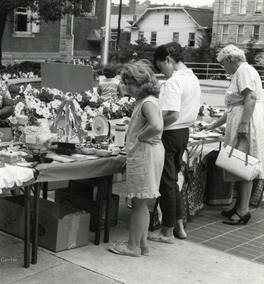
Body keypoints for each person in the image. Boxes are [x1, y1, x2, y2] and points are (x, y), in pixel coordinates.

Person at [108, 61, 164, 257]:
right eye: (125, 83)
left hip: (145, 155)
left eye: (130, 83)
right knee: (143, 202)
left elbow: (156, 126)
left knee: (139, 203)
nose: (126, 87)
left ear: (142, 83)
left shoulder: (147, 102)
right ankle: (143, 245)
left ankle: (132, 247)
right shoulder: (148, 100)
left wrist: (140, 137)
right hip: (150, 154)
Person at [203, 44, 264, 225]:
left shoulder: (244, 71)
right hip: (241, 120)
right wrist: (214, 124)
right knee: (238, 164)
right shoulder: (240, 73)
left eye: (223, 63)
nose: (223, 67)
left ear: (231, 60)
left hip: (246, 122)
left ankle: (243, 210)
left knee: (243, 165)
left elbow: (250, 98)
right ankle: (239, 205)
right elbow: (232, 106)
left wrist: (243, 124)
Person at [149, 42, 201, 243]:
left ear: (169, 60)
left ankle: (167, 230)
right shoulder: (193, 78)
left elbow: (172, 114)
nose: (162, 72)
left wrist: (155, 126)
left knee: (167, 183)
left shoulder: (173, 82)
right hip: (183, 133)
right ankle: (178, 226)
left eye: (161, 66)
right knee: (173, 180)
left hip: (170, 133)